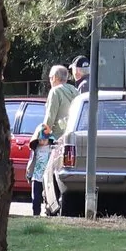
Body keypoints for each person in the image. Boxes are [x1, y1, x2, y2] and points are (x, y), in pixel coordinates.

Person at [32, 63, 77, 216]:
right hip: (72, 138)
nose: (50, 80)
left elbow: (49, 118)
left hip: (56, 139)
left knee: (44, 174)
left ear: (56, 78)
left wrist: (42, 137)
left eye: (50, 78)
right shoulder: (75, 91)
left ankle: (46, 207)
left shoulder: (55, 92)